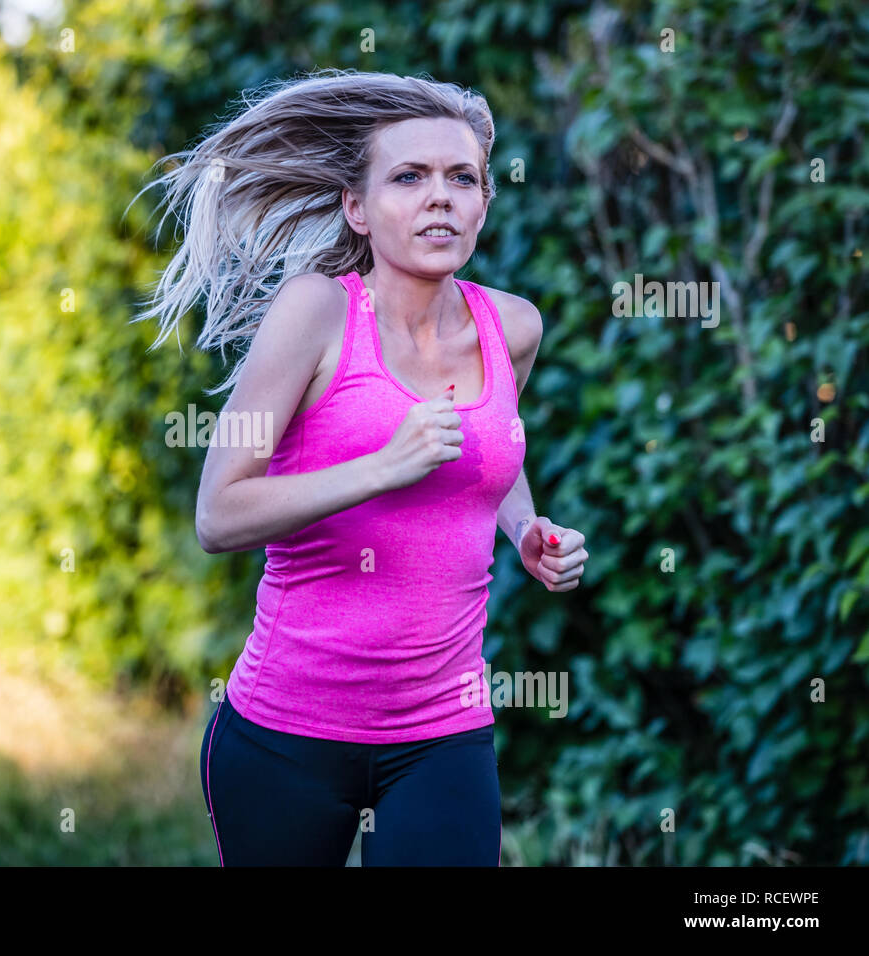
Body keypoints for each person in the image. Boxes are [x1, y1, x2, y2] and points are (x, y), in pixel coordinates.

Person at [131, 69, 589, 866]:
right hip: (285, 735)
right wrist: (381, 467)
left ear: (485, 202)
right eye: (408, 177)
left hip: (443, 732)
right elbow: (218, 514)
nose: (438, 197)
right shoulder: (313, 313)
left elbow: (490, 446)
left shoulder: (511, 327)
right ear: (357, 207)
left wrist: (524, 528)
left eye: (461, 178)